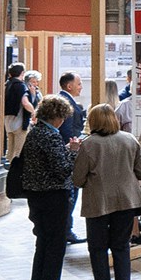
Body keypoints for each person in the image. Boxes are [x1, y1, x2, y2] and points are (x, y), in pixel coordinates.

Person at [71, 103, 141, 280]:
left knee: (97, 249)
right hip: (126, 202)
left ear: (93, 121)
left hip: (98, 202)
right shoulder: (129, 140)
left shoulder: (88, 145)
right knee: (121, 247)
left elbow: (77, 179)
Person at [21, 95, 80, 280]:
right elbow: (62, 170)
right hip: (53, 197)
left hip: (36, 196)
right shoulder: (51, 136)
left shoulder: (36, 132)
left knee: (43, 244)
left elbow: (46, 161)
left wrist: (64, 149)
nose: (63, 121)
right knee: (55, 247)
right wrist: (73, 152)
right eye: (62, 117)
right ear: (56, 116)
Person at [57, 72, 88, 245]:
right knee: (70, 192)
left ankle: (65, 228)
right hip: (69, 151)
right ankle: (66, 230)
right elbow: (68, 131)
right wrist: (73, 146)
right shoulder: (66, 102)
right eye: (79, 83)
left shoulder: (65, 99)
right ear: (69, 86)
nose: (81, 87)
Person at [3, 63, 28, 161]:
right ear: (22, 73)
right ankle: (15, 169)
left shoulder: (7, 84)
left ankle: (9, 167)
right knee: (19, 151)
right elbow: (25, 102)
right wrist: (34, 111)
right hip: (19, 121)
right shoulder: (21, 86)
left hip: (8, 121)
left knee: (10, 149)